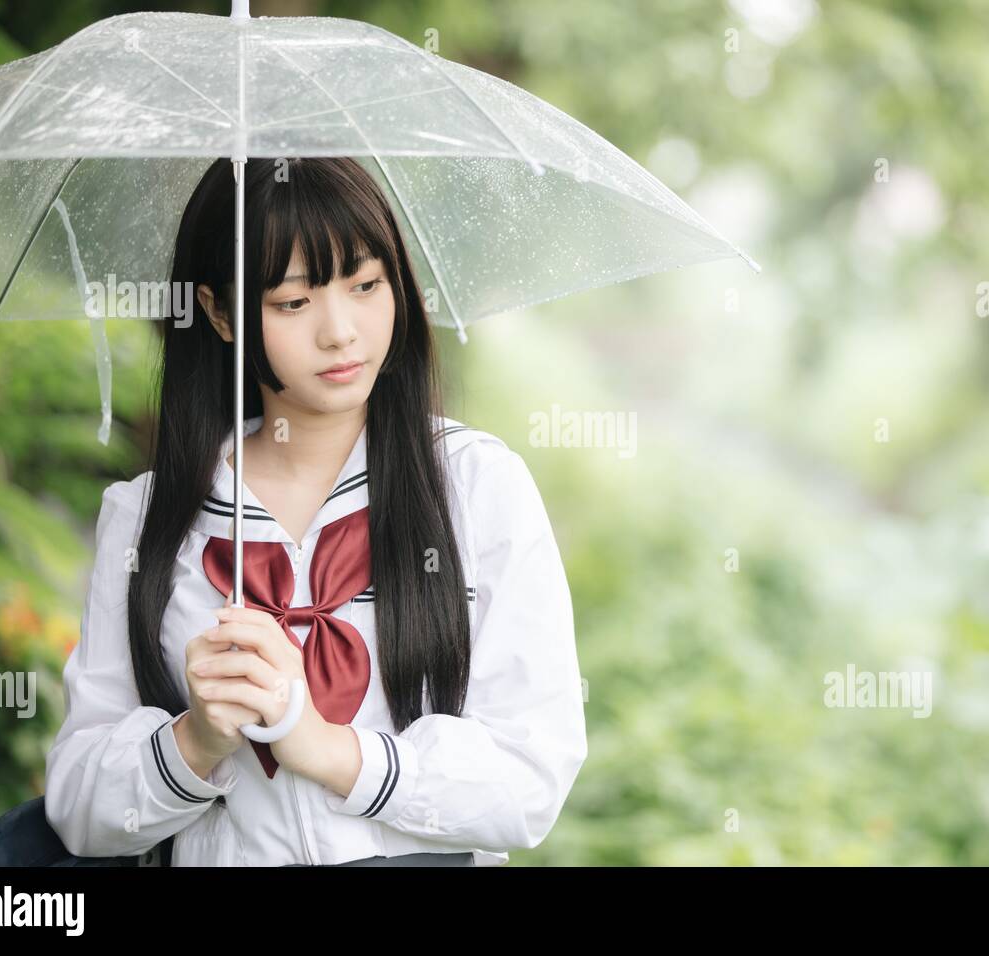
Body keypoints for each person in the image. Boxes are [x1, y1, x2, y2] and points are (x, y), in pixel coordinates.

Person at [43, 157, 588, 866]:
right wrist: (195, 741)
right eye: (294, 302)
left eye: (366, 286)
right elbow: (79, 808)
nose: (341, 332)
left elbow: (530, 778)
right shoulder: (147, 518)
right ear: (217, 312)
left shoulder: (477, 488)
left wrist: (330, 750)